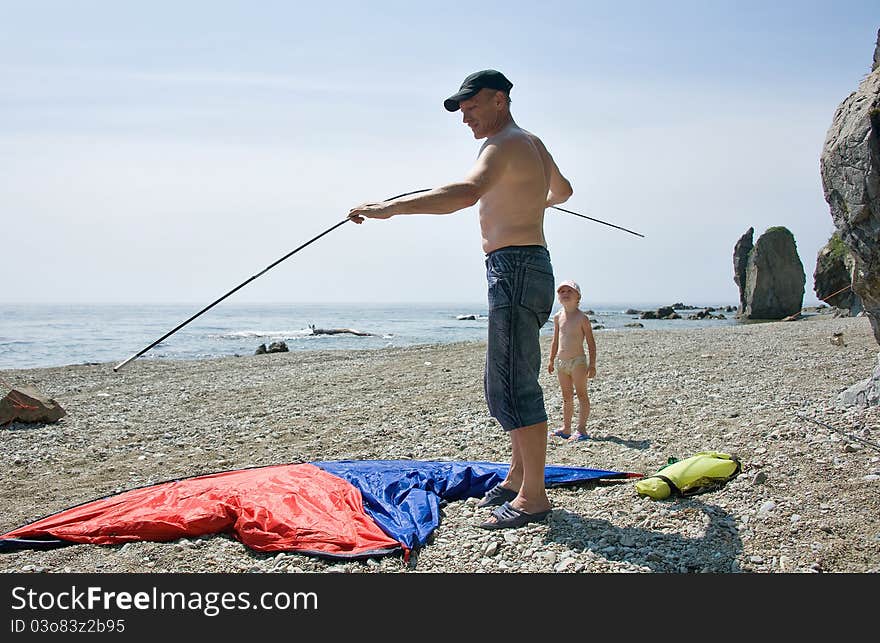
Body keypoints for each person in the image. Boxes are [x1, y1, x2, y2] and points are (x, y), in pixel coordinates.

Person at [348, 69, 573, 529]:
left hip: (514, 268)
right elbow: (564, 192)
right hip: (529, 266)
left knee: (513, 382)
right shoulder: (532, 142)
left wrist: (389, 209)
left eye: (471, 107)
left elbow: (467, 193)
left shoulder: (503, 144)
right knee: (509, 375)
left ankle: (533, 498)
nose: (465, 117)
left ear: (499, 100)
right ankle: (516, 477)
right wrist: (531, 201)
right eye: (462, 110)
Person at [547, 280, 596, 442]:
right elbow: (555, 340)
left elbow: (590, 342)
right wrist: (551, 359)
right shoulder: (557, 317)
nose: (565, 294)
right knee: (566, 396)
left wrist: (592, 364)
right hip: (562, 362)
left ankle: (581, 429)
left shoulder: (582, 318)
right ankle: (566, 427)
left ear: (578, 296)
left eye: (569, 291)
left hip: (578, 362)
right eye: (562, 292)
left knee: (581, 395)